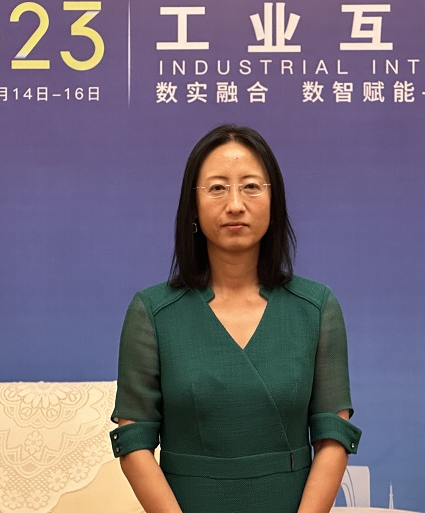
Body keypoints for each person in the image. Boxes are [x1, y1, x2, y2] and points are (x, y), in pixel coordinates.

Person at [110, 124, 361, 513]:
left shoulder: (315, 308)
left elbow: (333, 436)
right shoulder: (152, 312)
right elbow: (134, 442)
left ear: (273, 202)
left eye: (251, 187)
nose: (235, 204)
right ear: (193, 206)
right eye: (217, 188)